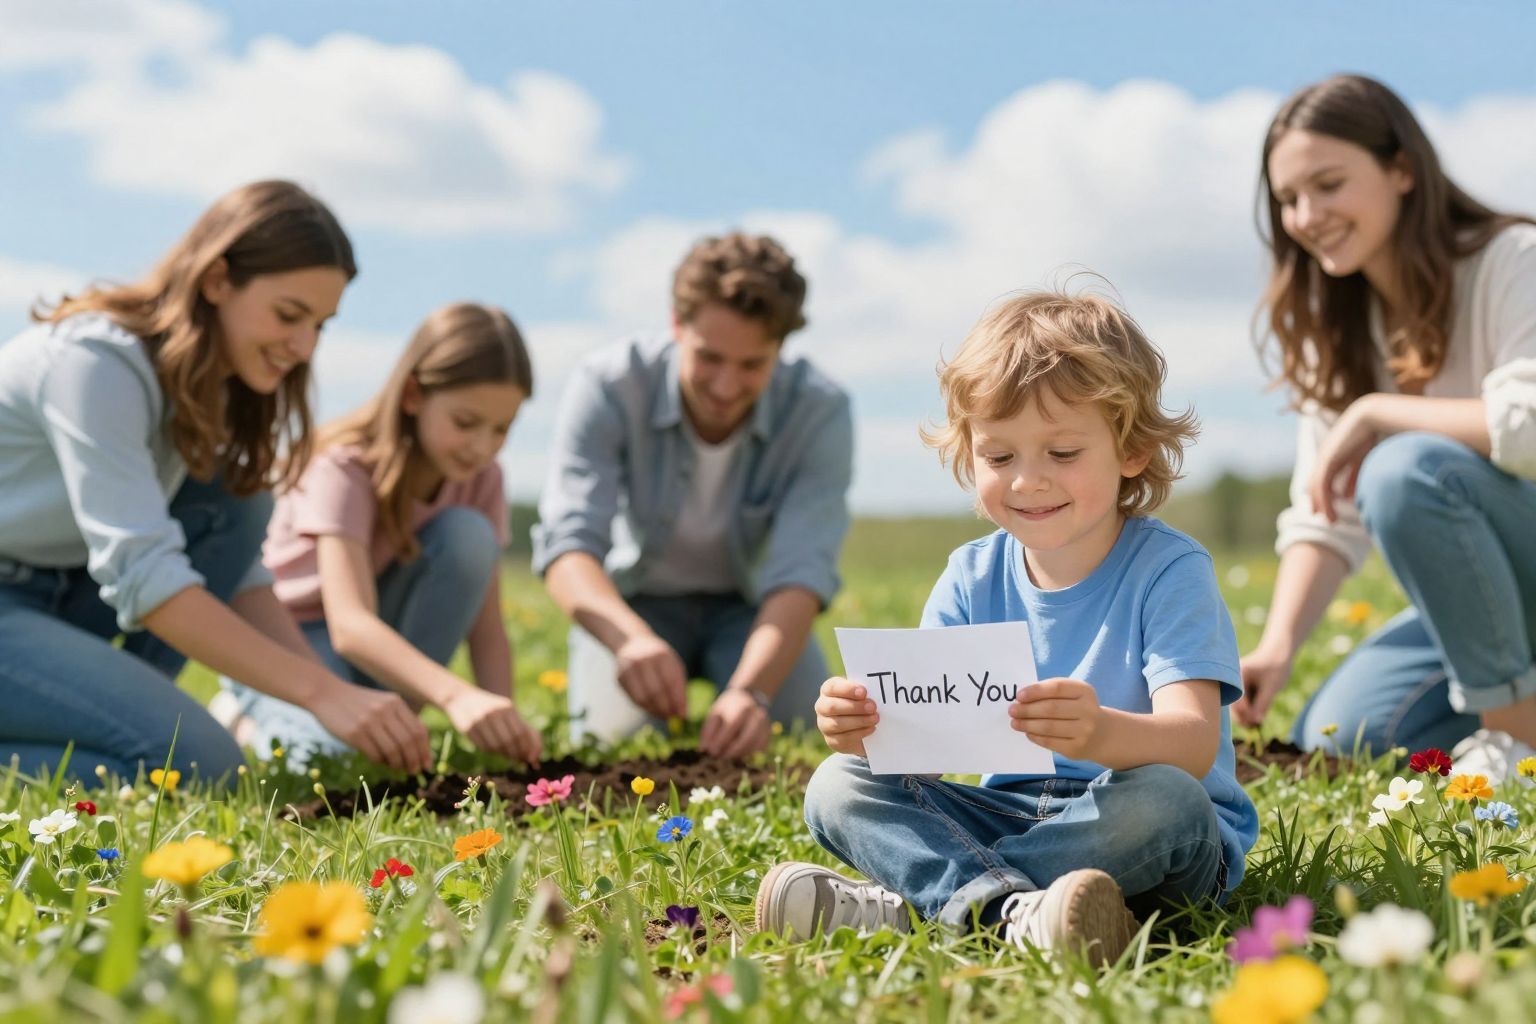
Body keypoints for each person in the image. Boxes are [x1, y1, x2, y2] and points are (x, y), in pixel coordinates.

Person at [755, 290, 1257, 965]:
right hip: (1011, 815)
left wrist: (1104, 732)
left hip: (1146, 829)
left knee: (1164, 798)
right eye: (999, 458)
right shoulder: (970, 576)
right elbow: (927, 748)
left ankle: (921, 905)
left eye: (1063, 451)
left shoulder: (1170, 570)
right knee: (836, 784)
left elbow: (1194, 746)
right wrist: (871, 731)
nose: (1027, 481)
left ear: (1132, 449)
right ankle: (1012, 913)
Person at [0, 180, 433, 783]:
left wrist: (327, 696)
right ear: (217, 280)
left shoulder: (213, 384)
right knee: (197, 765)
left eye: (320, 325)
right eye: (289, 315)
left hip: (66, 597)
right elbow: (144, 574)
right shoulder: (95, 364)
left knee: (240, 499)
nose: (304, 347)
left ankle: (129, 720)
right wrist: (321, 692)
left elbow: (235, 570)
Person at [1233, 74, 1536, 784]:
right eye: (1287, 200)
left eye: (1328, 184)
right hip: (1494, 605)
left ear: (1402, 169)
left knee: (1404, 469)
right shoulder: (1339, 328)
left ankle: (1516, 743)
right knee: (1339, 735)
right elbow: (1324, 510)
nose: (1306, 215)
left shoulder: (1512, 260)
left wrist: (1378, 411)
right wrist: (1276, 646)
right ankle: (1514, 695)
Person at [532, 232, 852, 759]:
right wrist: (629, 641)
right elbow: (569, 547)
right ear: (676, 325)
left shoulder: (820, 410)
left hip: (752, 609)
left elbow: (803, 570)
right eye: (709, 358)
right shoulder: (608, 386)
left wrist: (752, 690)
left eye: (752, 365)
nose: (726, 386)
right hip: (634, 606)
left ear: (781, 348)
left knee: (799, 737)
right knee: (613, 748)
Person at [216, 302, 543, 766]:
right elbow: (349, 626)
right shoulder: (343, 467)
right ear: (412, 395)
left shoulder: (483, 479)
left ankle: (381, 728)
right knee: (331, 760)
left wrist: (504, 728)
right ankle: (248, 717)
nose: (482, 447)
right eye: (466, 423)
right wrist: (455, 697)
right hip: (291, 639)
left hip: (380, 639)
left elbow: (486, 629)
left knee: (469, 536)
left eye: (501, 429)